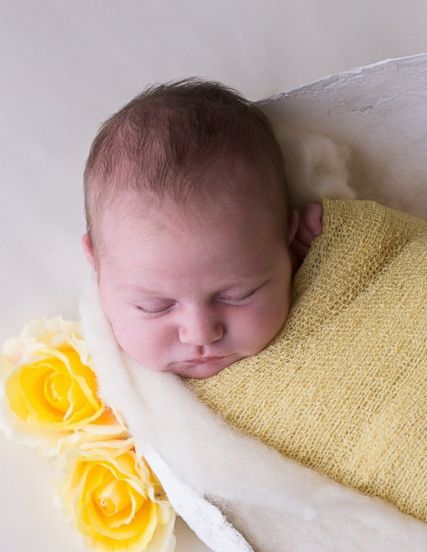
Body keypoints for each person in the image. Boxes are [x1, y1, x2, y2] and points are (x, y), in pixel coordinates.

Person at [80, 77, 323, 380]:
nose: (201, 334)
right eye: (154, 306)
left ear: (287, 237)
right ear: (96, 262)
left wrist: (318, 262)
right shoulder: (107, 375)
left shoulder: (303, 263)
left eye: (238, 295)